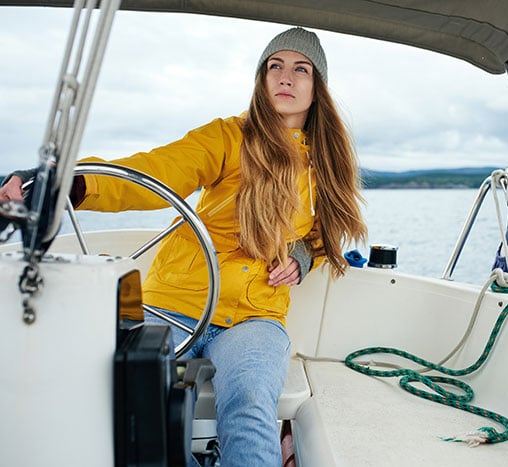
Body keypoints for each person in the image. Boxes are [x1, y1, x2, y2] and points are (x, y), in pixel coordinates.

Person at [1, 26, 367, 466]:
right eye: (275, 66)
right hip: (175, 302)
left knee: (251, 403)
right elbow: (156, 172)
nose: (286, 78)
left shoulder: (326, 162)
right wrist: (70, 183)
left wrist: (302, 258)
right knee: (134, 400)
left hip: (254, 317)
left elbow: (328, 233)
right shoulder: (228, 137)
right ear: (261, 79)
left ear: (317, 87)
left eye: (300, 69)